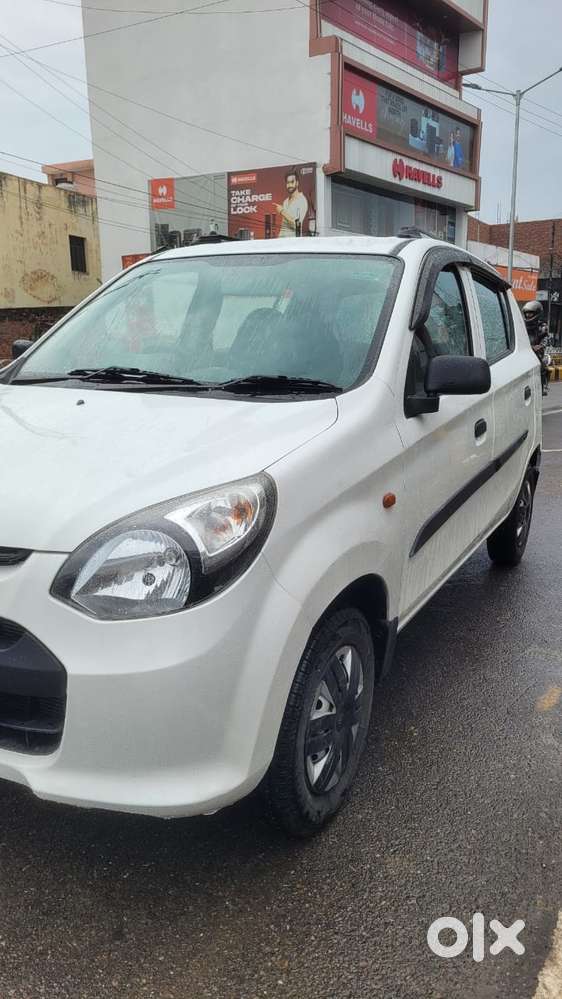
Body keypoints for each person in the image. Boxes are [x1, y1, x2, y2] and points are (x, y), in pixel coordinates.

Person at [274, 170, 309, 237]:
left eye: (292, 182)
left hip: (293, 241)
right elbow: (284, 226)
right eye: (288, 183)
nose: (290, 185)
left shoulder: (302, 200)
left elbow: (297, 226)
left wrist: (282, 211)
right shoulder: (285, 201)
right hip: (281, 241)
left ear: (297, 183)